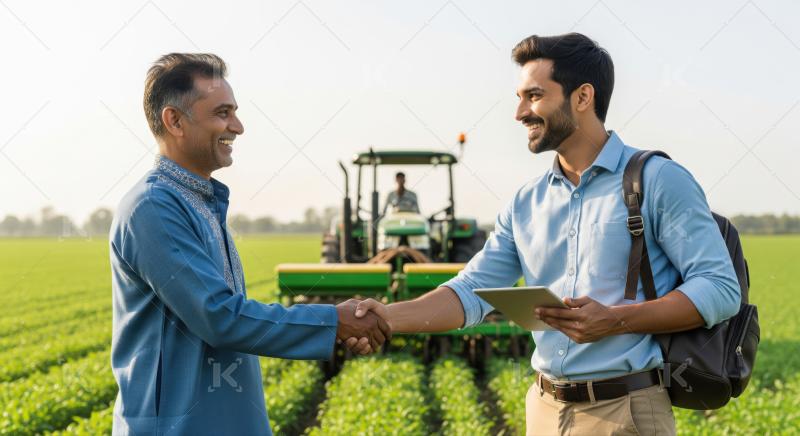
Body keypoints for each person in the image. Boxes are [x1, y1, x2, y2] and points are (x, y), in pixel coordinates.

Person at [350, 33, 740, 436]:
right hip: (543, 408)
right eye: (520, 97)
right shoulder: (525, 202)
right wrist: (388, 317)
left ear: (582, 97)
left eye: (534, 96)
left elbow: (719, 287)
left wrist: (616, 321)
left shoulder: (658, 180)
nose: (520, 112)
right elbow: (471, 291)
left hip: (624, 411)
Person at [109, 53, 389, 435]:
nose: (237, 127)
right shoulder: (154, 207)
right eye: (222, 113)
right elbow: (220, 318)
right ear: (174, 121)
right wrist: (334, 321)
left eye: (235, 112)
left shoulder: (200, 201)